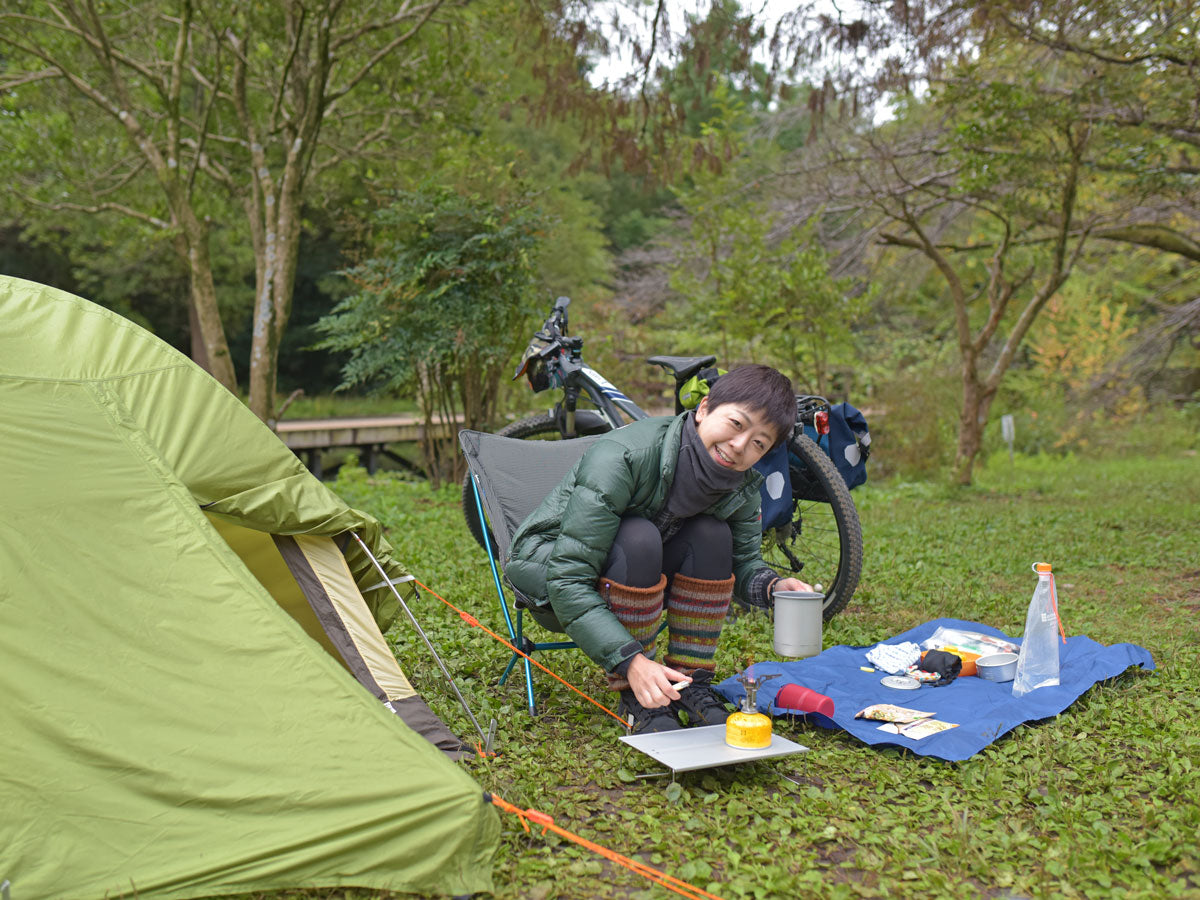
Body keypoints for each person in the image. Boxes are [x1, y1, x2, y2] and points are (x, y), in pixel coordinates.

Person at [505, 364, 813, 733]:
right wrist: (631, 661)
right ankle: (639, 694)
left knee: (712, 535)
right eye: (736, 424)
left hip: (635, 573)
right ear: (703, 410)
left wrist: (773, 587)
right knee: (639, 535)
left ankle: (688, 683)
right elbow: (567, 579)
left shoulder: (741, 488)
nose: (739, 446)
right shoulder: (622, 458)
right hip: (550, 572)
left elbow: (743, 563)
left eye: (759, 443)